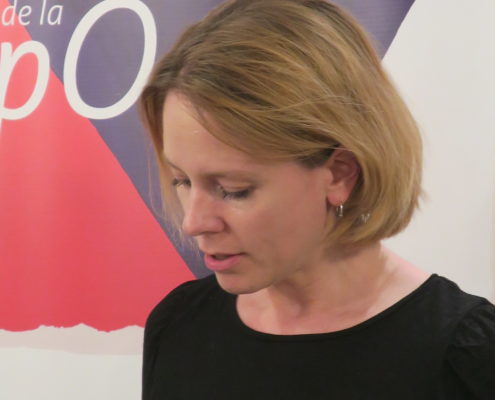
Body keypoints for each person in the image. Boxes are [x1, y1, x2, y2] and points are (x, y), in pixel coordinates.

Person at [139, 0, 495, 398]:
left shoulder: (465, 357)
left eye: (233, 189)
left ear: (340, 173)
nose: (194, 222)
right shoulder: (179, 326)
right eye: (182, 181)